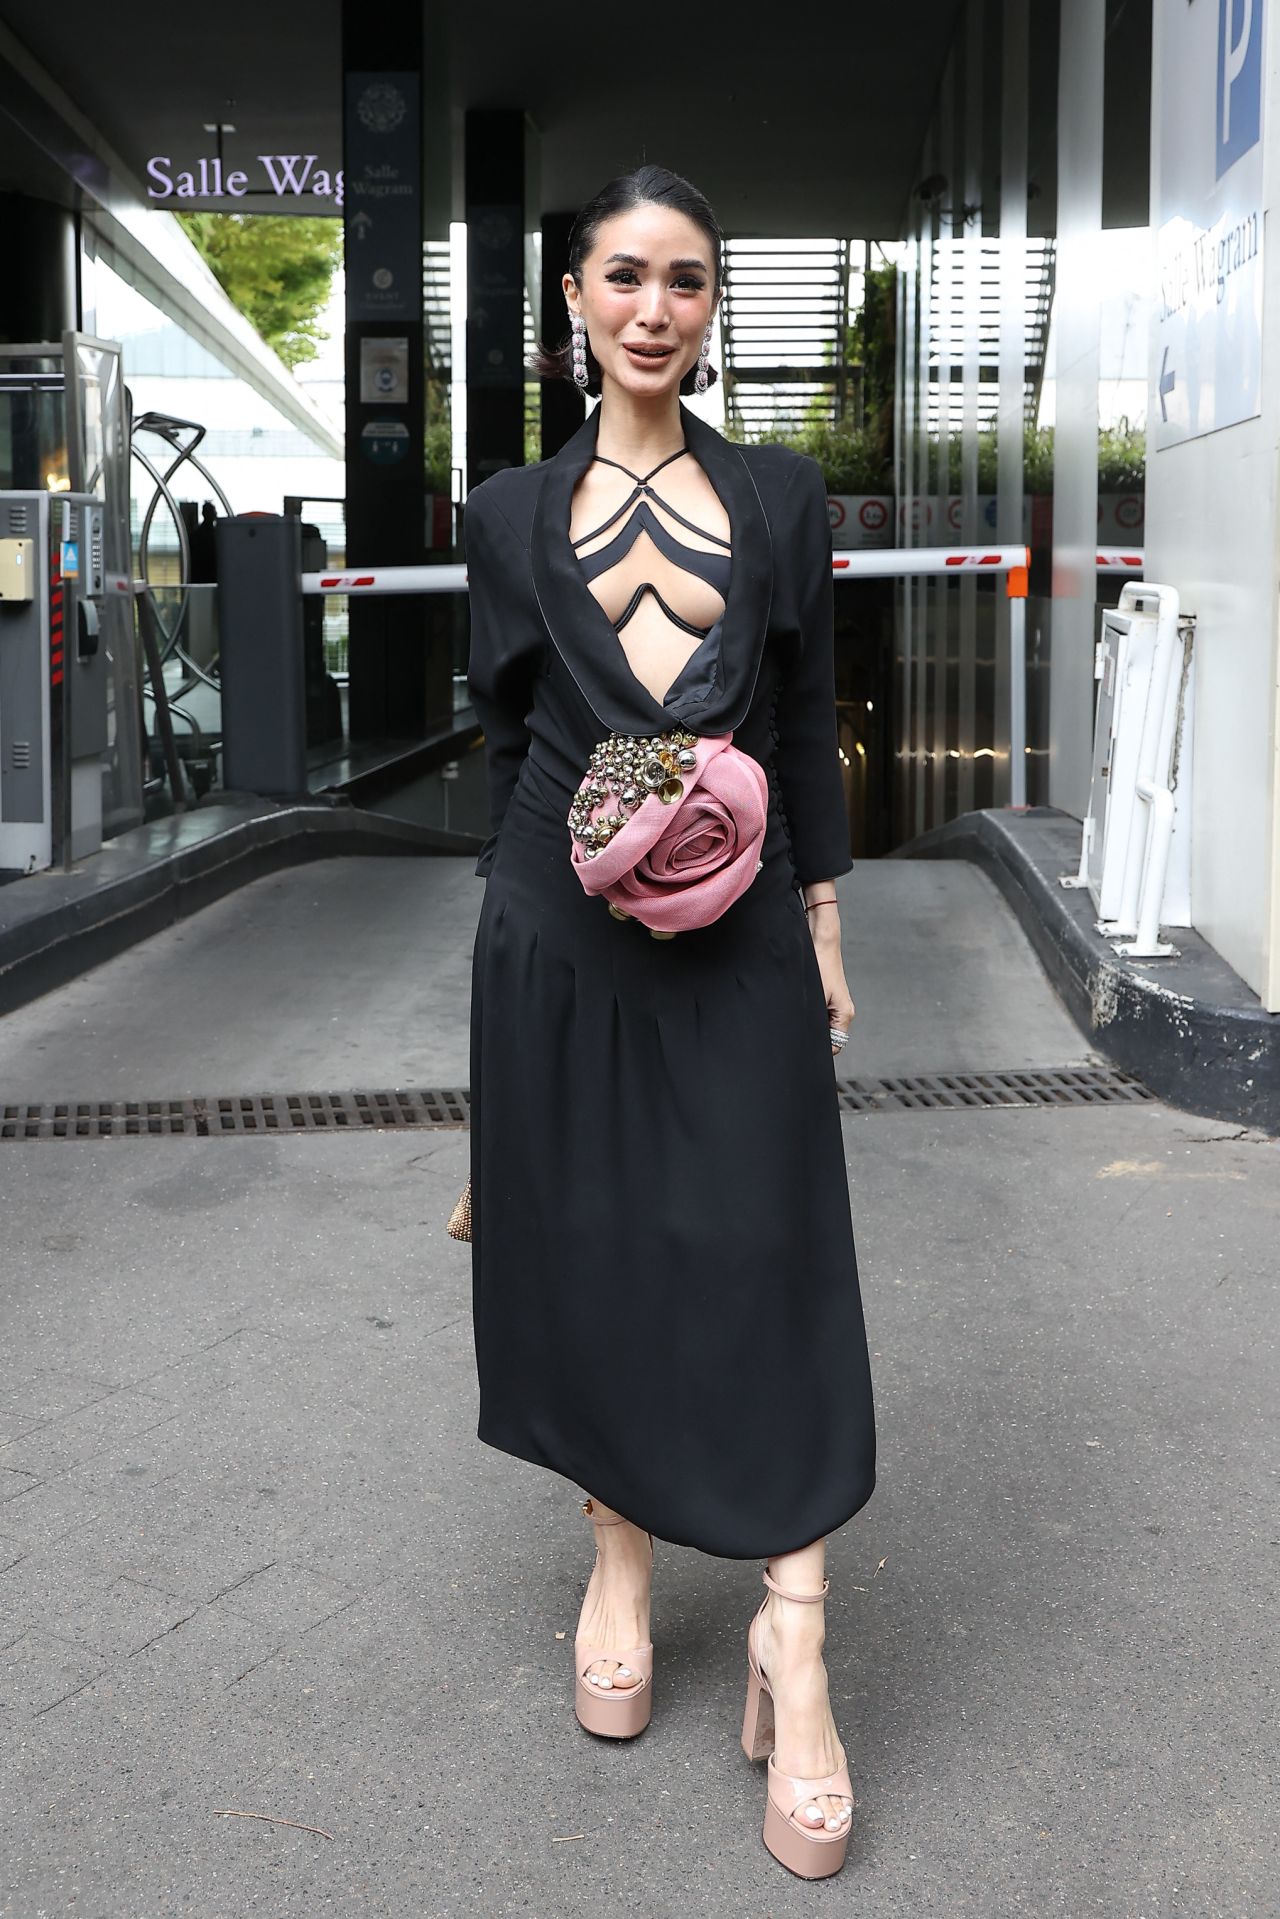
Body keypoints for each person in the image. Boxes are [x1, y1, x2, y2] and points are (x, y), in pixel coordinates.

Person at [464, 163, 876, 1880]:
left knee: (769, 1245)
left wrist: (828, 916)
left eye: (688, 281)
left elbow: (799, 712)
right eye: (624, 275)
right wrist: (477, 1016)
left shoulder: (781, 499)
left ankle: (798, 1632)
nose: (656, 307)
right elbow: (504, 751)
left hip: (746, 930)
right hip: (558, 942)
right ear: (572, 296)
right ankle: (619, 1556)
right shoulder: (502, 513)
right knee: (597, 1244)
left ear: (715, 307)